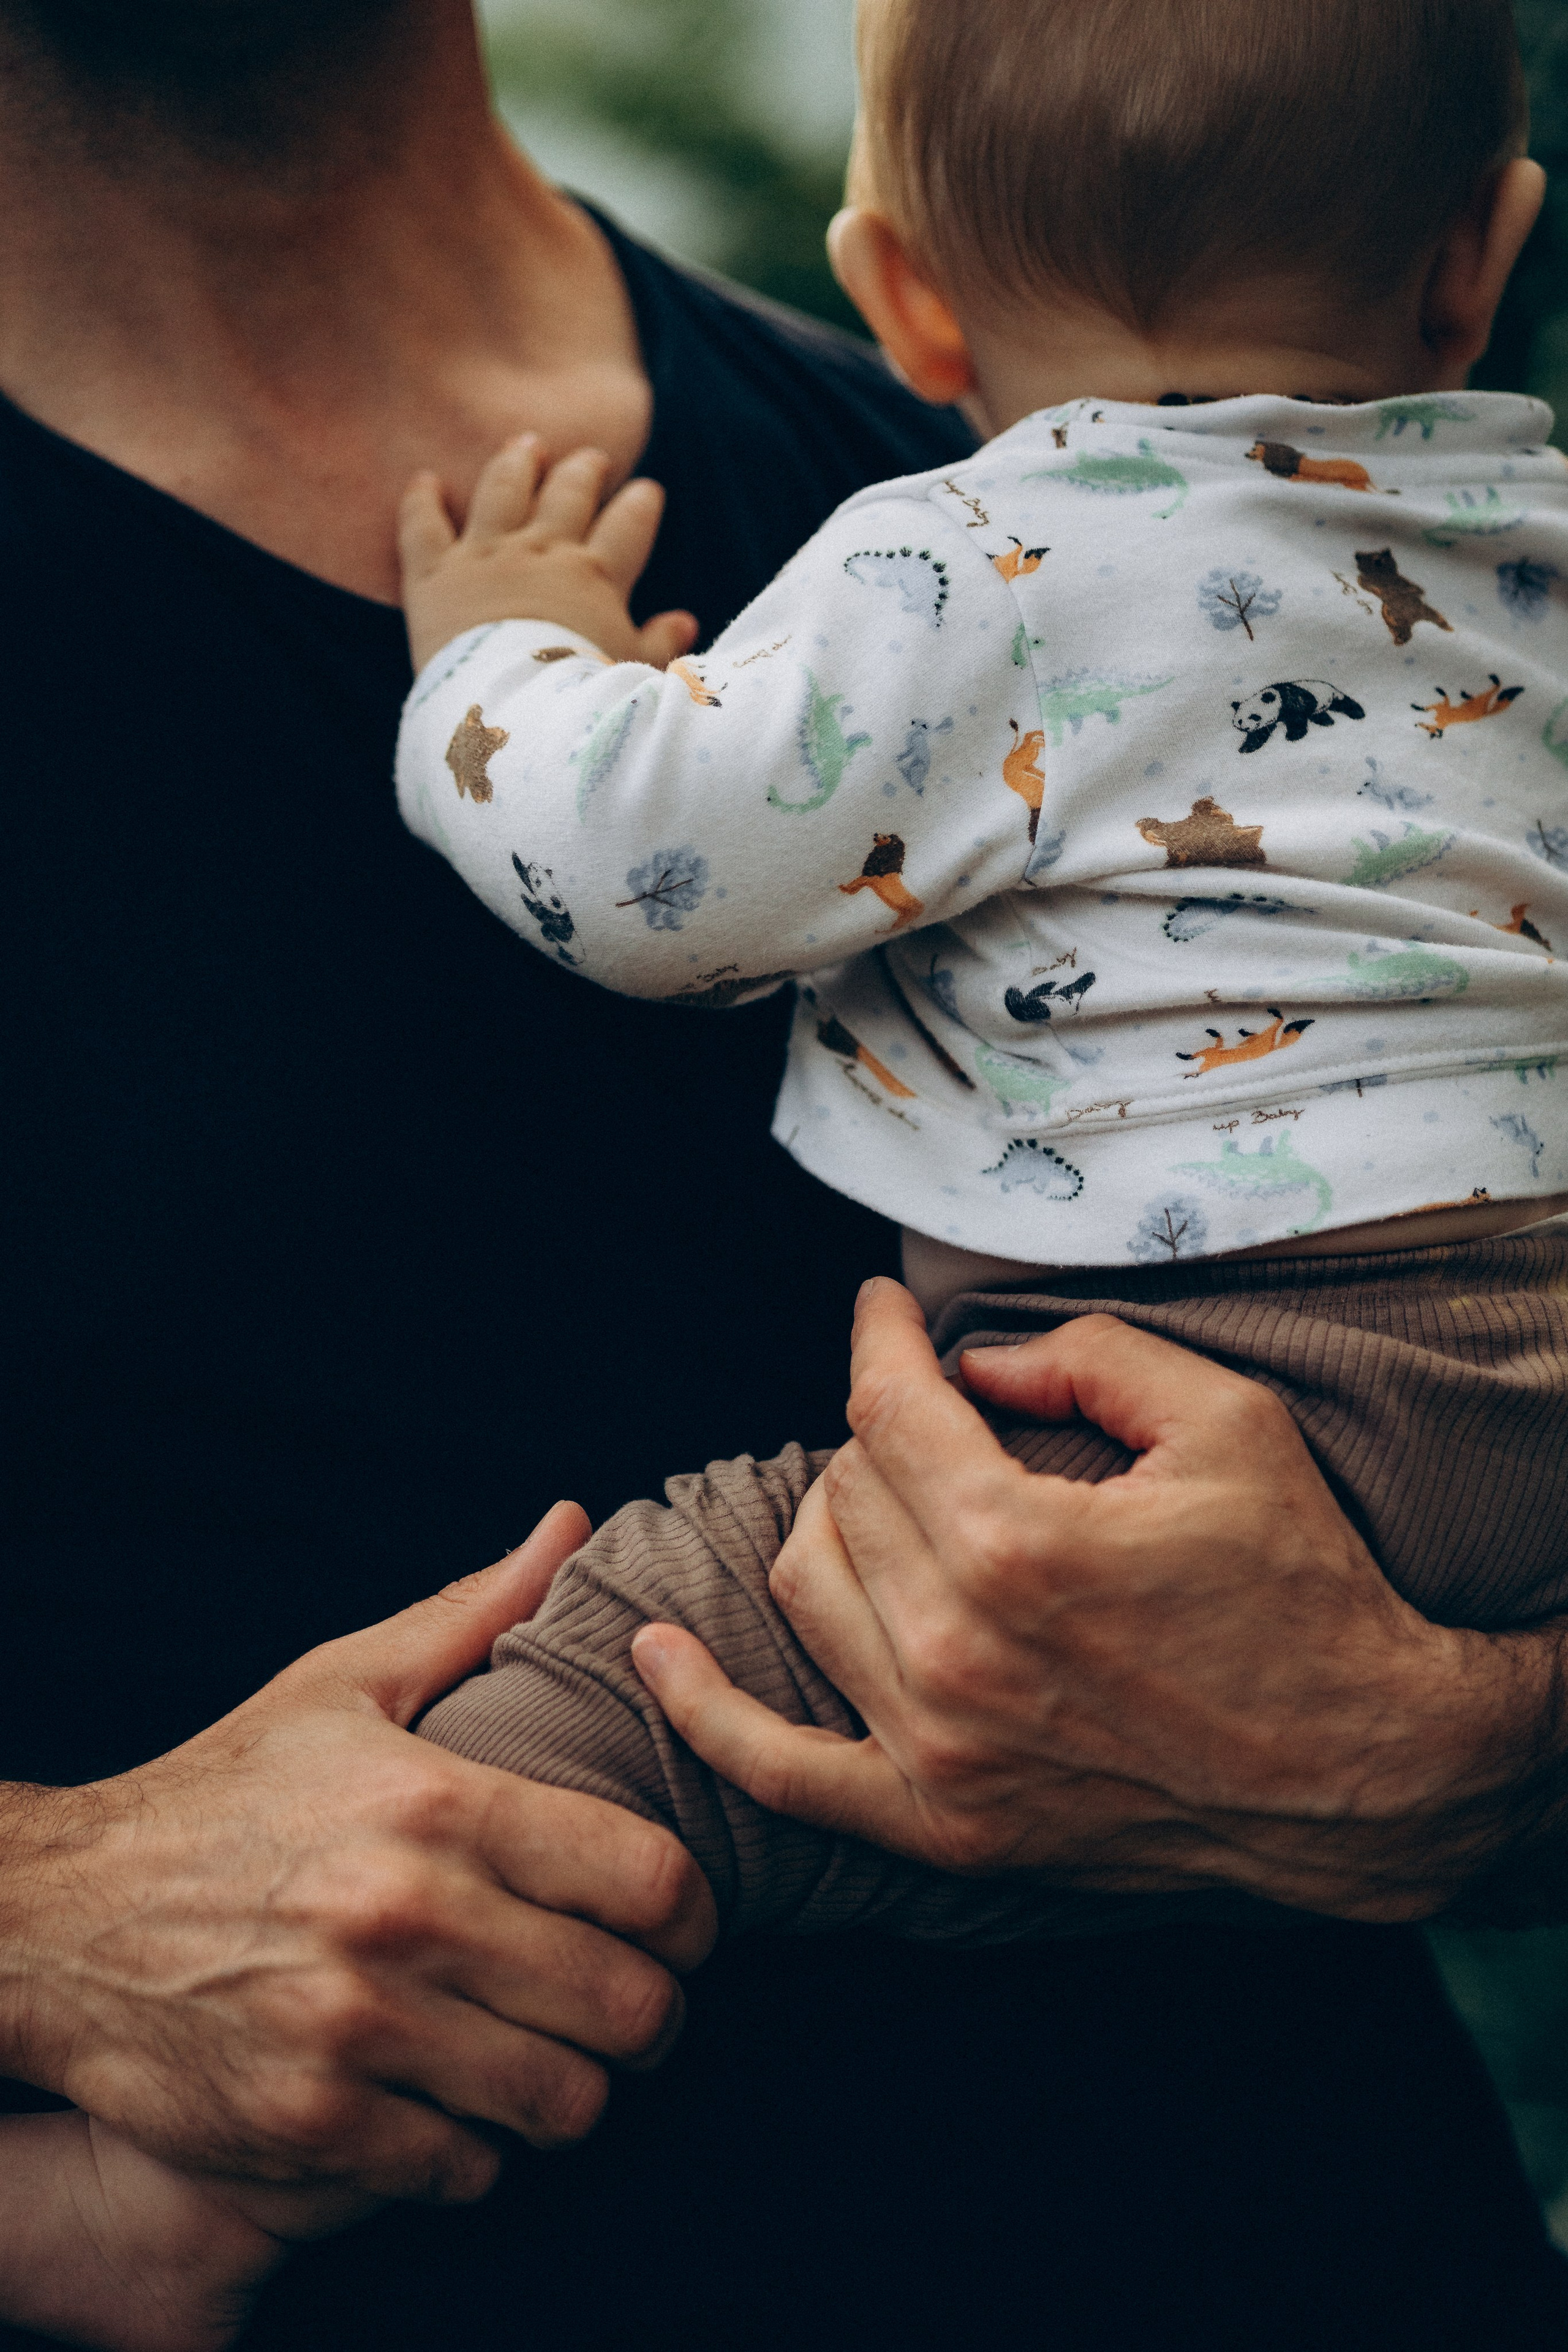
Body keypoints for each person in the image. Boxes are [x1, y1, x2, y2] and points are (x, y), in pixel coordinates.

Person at [1, 0, 1565, 2345]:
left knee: (686, 1637)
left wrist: (1467, 1751)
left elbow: (639, 865)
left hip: (1336, 2260)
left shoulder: (941, 528)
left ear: (894, 269)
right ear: (1484, 260)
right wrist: (53, 1903)